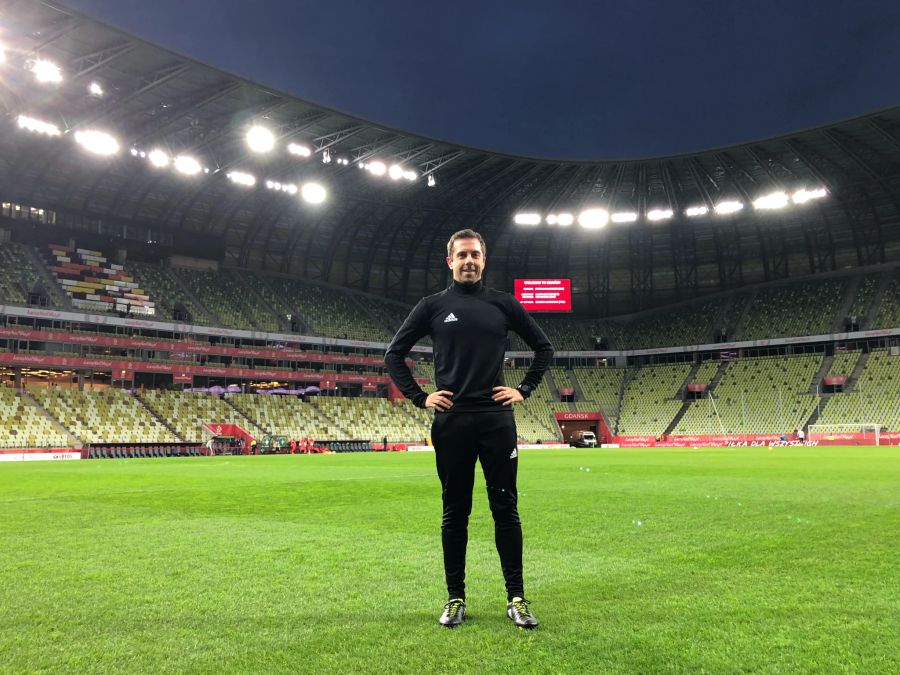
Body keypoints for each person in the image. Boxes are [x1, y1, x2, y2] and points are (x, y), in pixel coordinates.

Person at [385, 228, 553, 630]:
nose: (469, 261)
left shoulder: (504, 304)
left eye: (475, 254)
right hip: (453, 424)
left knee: (505, 511)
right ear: (450, 261)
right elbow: (394, 354)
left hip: (496, 423)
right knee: (454, 513)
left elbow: (544, 347)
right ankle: (455, 597)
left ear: (484, 259)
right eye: (461, 255)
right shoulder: (432, 306)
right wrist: (420, 396)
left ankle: (517, 598)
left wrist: (524, 389)